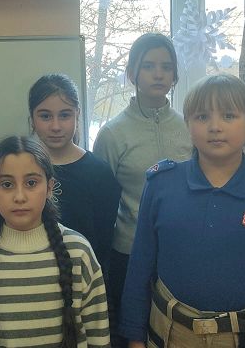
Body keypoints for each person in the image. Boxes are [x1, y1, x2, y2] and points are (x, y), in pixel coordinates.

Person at [120, 74, 245, 348]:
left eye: (228, 115)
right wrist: (134, 338)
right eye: (202, 117)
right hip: (170, 334)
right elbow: (139, 270)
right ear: (188, 124)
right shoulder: (160, 186)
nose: (215, 127)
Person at [0, 136, 110, 348]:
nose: (19, 196)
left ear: (50, 188)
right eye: (7, 184)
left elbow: (99, 338)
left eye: (31, 183)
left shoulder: (79, 253)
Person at [92, 33, 192, 347]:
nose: (158, 74)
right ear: (132, 73)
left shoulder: (190, 127)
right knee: (133, 336)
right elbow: (102, 203)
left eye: (166, 66)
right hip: (128, 255)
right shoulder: (112, 134)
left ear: (175, 75)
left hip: (182, 250)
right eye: (148, 66)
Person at [28, 73, 120, 272]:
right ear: (32, 119)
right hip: (31, 274)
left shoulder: (99, 173)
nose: (55, 126)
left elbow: (103, 242)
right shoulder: (21, 169)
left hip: (83, 276)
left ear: (77, 115)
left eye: (65, 115)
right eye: (45, 116)